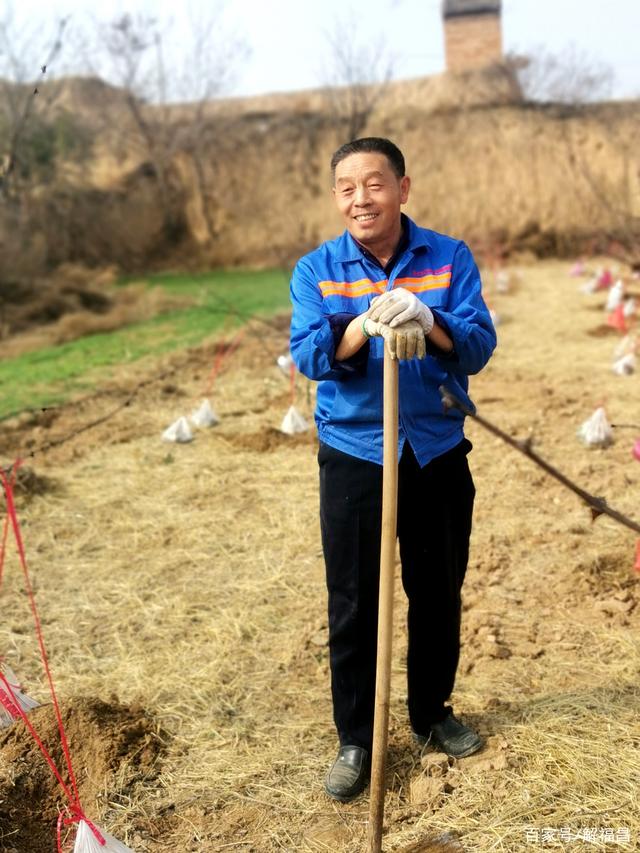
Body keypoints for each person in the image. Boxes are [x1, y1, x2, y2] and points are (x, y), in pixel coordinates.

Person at [289, 137, 496, 803]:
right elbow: (310, 355)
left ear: (402, 188)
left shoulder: (448, 257)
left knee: (436, 591)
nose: (361, 199)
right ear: (336, 198)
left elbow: (479, 343)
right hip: (354, 455)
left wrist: (428, 317)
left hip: (434, 449)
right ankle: (357, 736)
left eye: (374, 184)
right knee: (353, 599)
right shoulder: (316, 269)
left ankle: (432, 714)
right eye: (347, 188)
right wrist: (360, 327)